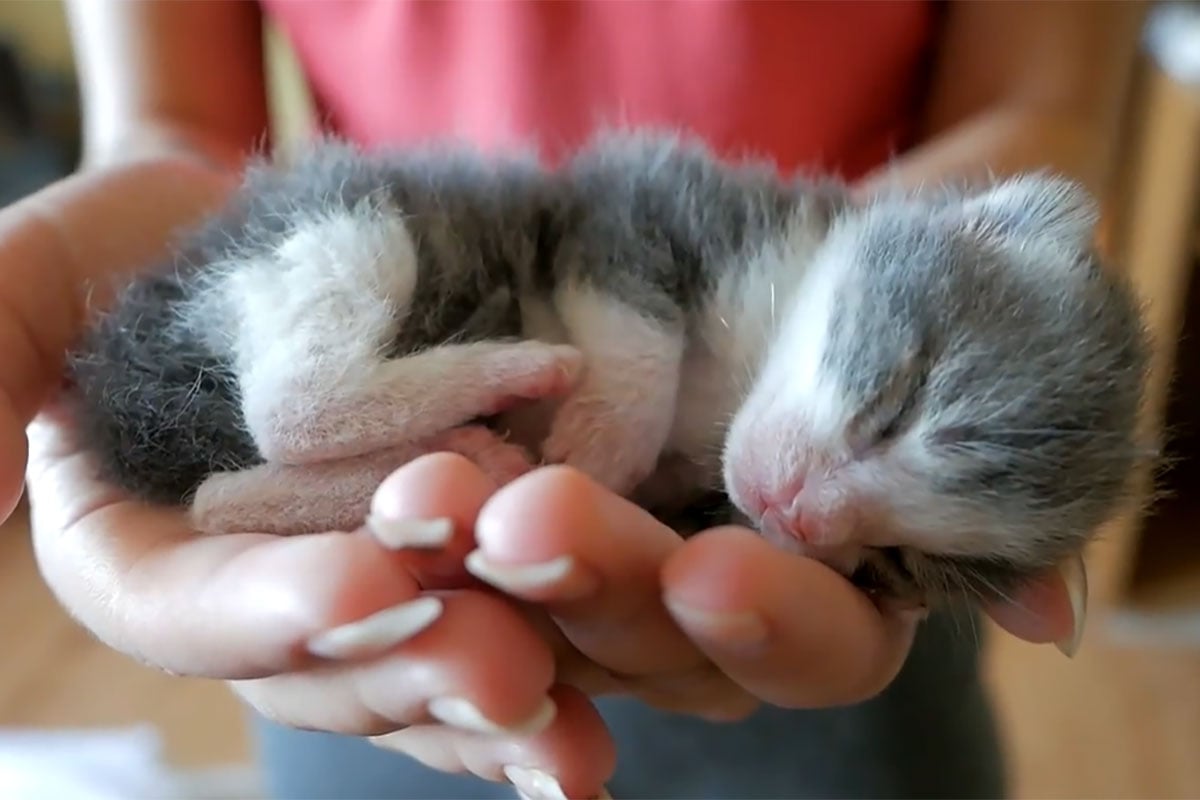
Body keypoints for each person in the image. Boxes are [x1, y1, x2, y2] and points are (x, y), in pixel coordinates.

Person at [4, 1, 1144, 798]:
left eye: (888, 549)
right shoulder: (760, 247)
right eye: (888, 415)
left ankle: (281, 483)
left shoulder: (797, 515)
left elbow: (1041, 106)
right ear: (966, 227)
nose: (810, 515)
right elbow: (178, 125)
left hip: (798, 688)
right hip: (392, 382)